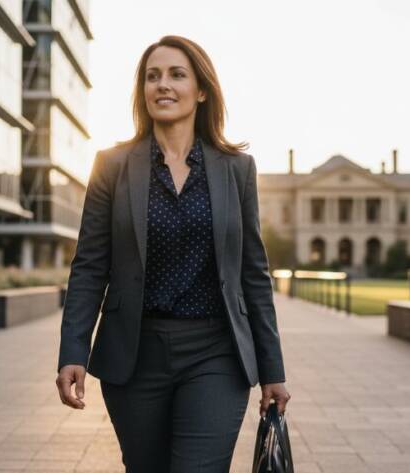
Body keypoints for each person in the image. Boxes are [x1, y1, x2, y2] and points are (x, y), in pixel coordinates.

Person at [55, 35, 290, 472]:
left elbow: (253, 273)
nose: (162, 85)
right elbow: (89, 266)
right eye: (152, 76)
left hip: (215, 353)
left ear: (201, 90)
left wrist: (273, 369)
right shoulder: (112, 165)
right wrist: (73, 352)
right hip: (134, 354)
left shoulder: (236, 169)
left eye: (177, 74)